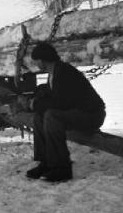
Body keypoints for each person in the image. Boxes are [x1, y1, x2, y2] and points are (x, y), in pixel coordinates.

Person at [26, 42, 106, 182]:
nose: (36, 64)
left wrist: (37, 103)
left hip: (92, 115)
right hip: (77, 113)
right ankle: (46, 163)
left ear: (42, 59)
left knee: (51, 117)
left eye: (36, 60)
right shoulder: (54, 72)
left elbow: (61, 104)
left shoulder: (64, 72)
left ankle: (62, 168)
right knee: (39, 117)